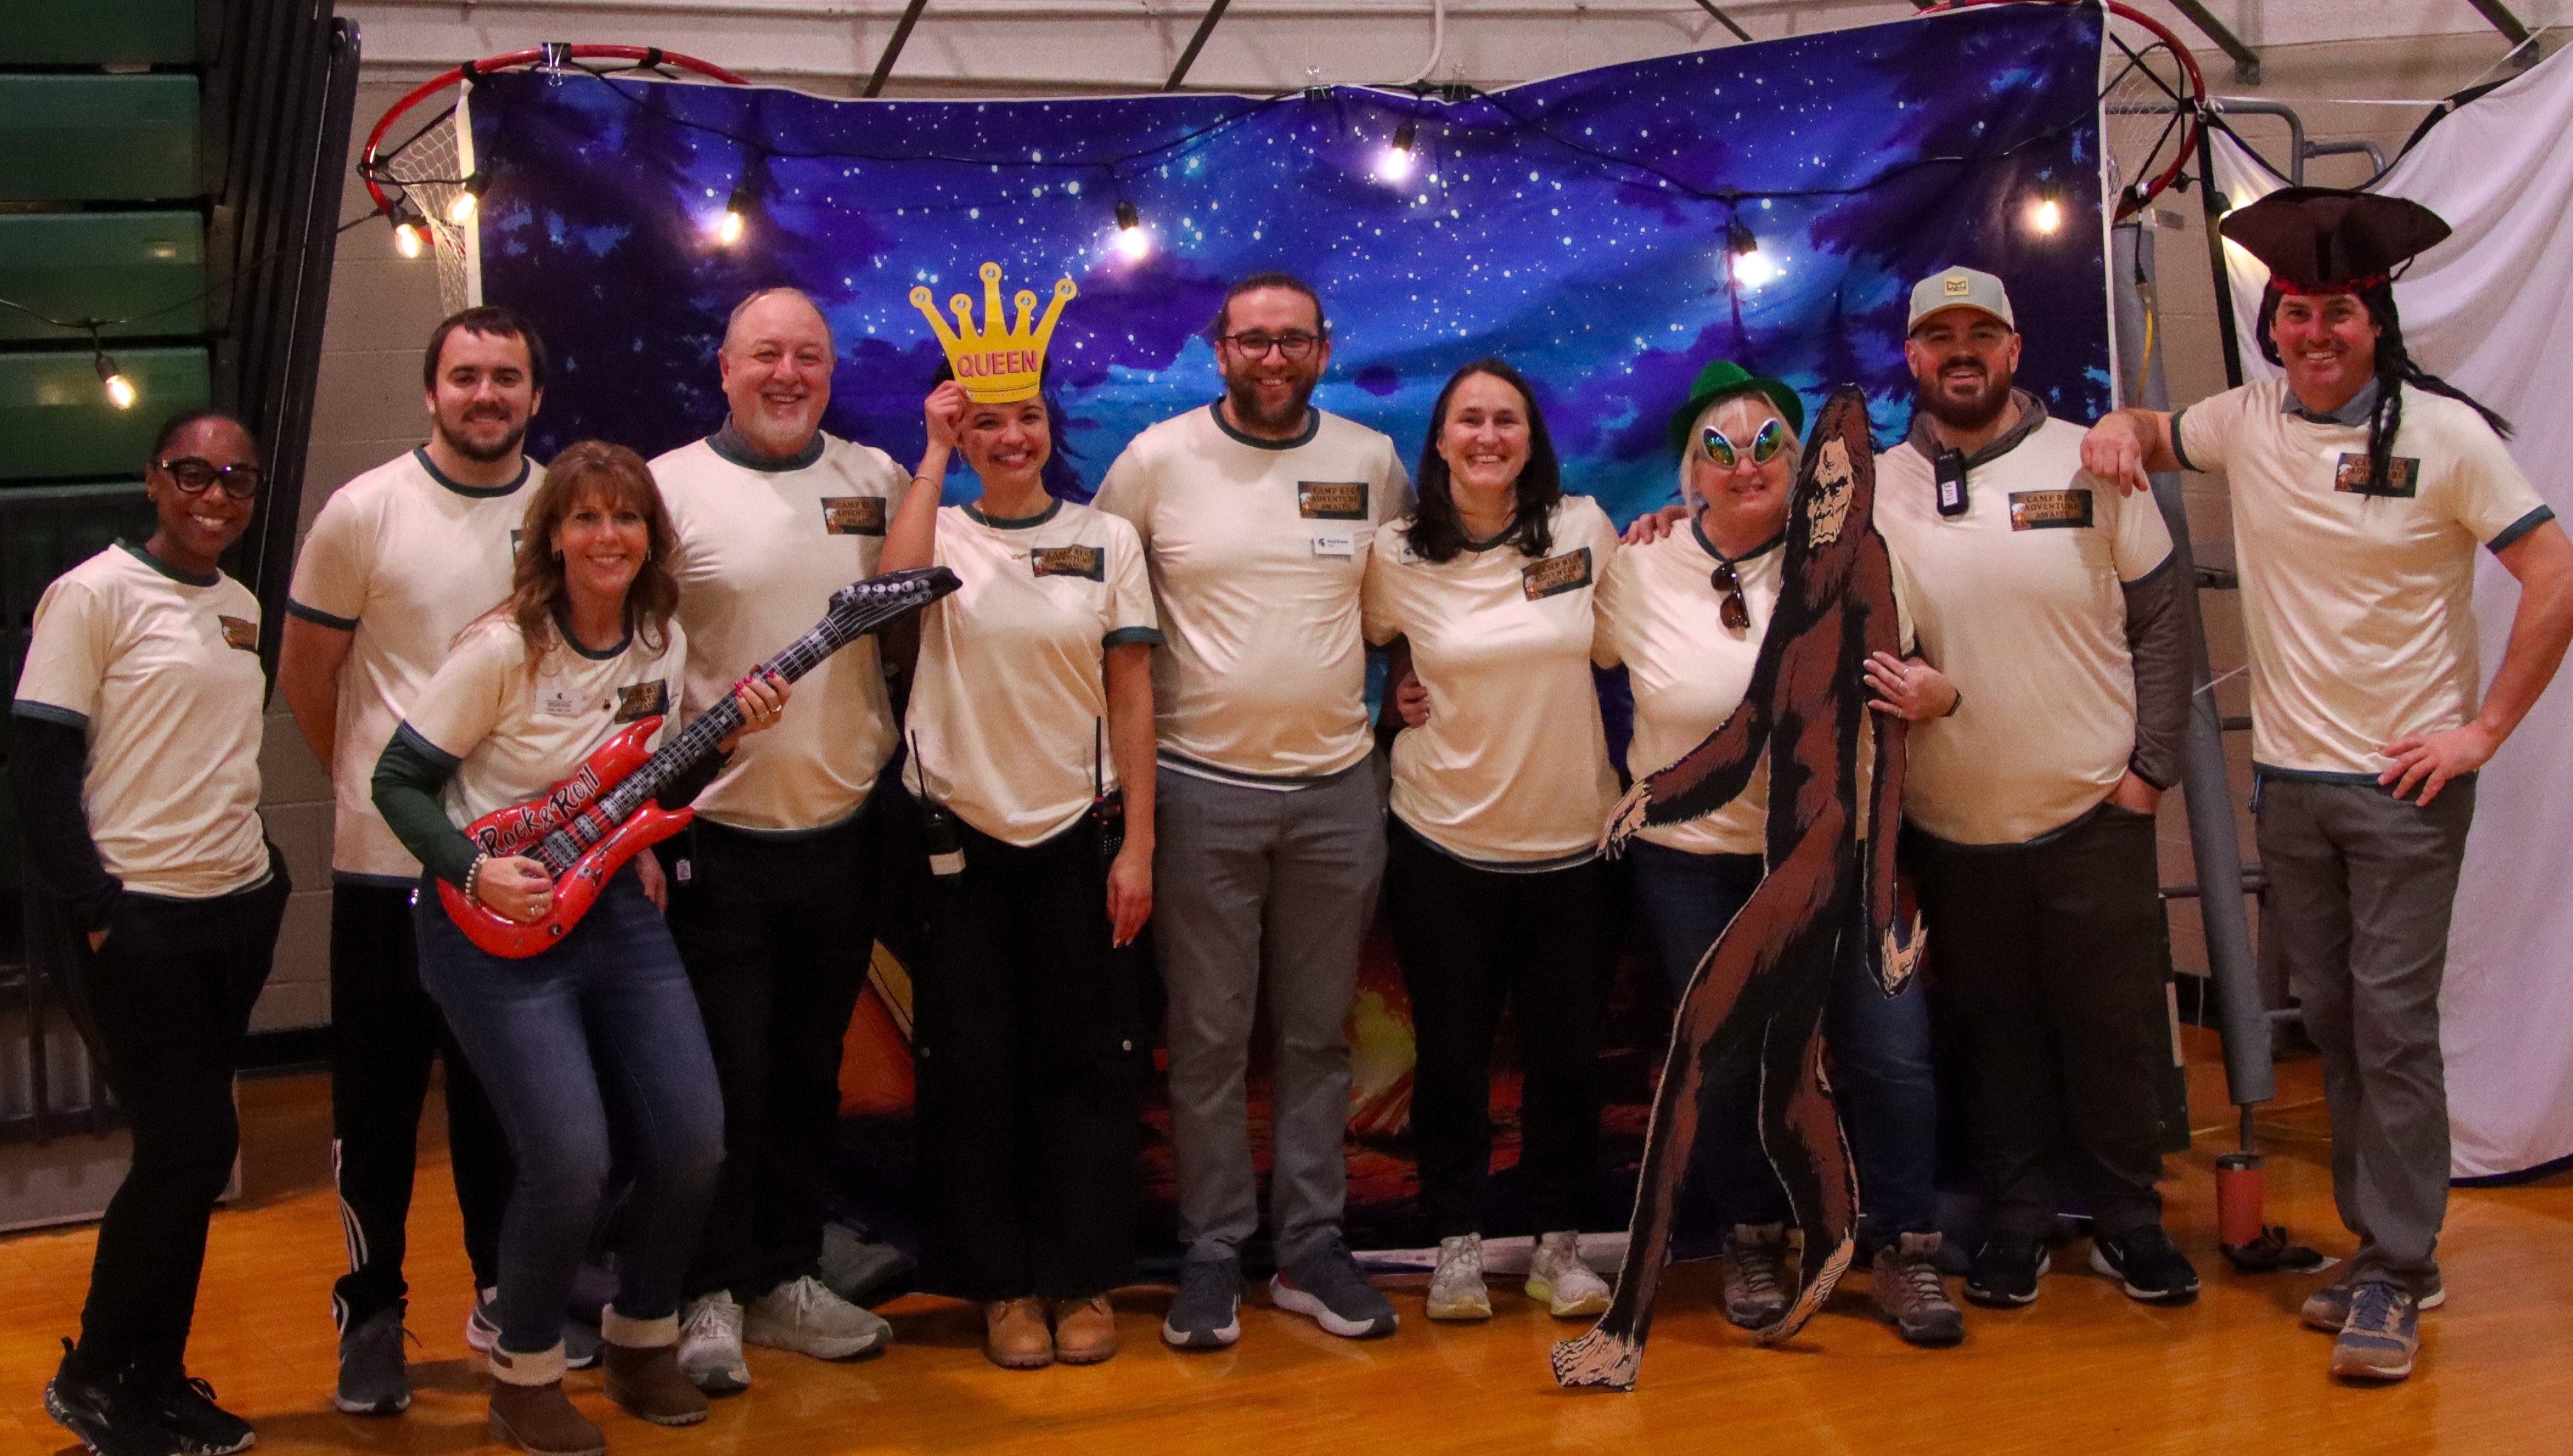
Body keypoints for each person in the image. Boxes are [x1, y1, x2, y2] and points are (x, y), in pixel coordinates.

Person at [2082, 188, 2573, 1381]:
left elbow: (2555, 573)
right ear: (2275, 328)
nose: (2315, 334)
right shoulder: (2248, 419)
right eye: (2297, 314)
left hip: (2403, 791)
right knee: (2340, 1024)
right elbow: (2153, 429)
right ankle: (2385, 1246)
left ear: (2375, 321)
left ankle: (2397, 1268)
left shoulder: (2445, 436)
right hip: (2291, 787)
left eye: (2338, 313)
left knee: (2392, 1027)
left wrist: (2483, 732)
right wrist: (2116, 432)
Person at [372, 441, 789, 1454]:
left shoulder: (659, 641)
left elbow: (650, 790)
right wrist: (472, 870)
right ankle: (523, 1377)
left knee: (694, 1139)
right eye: (588, 517)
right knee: (568, 1160)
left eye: (627, 517)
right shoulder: (500, 648)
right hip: (487, 923)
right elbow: (397, 782)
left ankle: (644, 1337)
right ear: (553, 537)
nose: (609, 536)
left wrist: (723, 741)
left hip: (608, 909)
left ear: (652, 536)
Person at [1601, 359, 1959, 1347]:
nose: (1745, 465)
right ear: (1691, 472)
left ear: (1800, 464)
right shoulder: (1637, 568)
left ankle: (1905, 1248)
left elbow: (1915, 675)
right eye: (1720, 448)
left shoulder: (1859, 556)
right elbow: (1541, 654)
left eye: (1768, 444)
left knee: (1889, 1054)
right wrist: (1410, 690)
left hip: (1835, 853)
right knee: (1724, 1060)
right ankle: (1751, 1237)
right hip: (1693, 862)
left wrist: (1941, 693)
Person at [1093, 271, 1411, 1347]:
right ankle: (1213, 1252)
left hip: (1337, 793)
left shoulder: (1369, 462)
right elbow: (1095, 601)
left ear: (1323, 348)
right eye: (1253, 340)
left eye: (1293, 340)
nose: (1274, 358)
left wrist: (1407, 692)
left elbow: (1415, 595)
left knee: (1319, 1037)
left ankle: (1312, 1249)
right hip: (1198, 791)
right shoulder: (1157, 461)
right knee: (1209, 1038)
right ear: (1219, 349)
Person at [1874, 267, 2195, 1313]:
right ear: (1913, 357)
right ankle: (2018, 1220)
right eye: (1940, 336)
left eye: (1982, 333)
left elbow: (2163, 621)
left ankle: (2130, 1221)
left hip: (2094, 813)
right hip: (1953, 824)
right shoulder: (1874, 488)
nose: (1961, 352)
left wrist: (2150, 776)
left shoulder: (2092, 460)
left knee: (2111, 1029)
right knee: (1994, 1029)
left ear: (2014, 349)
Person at [277, 305, 536, 1412]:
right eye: (466, 376)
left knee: (503, 1106)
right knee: (377, 1111)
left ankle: (500, 1293)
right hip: (389, 873)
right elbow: (307, 677)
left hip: (520, 878)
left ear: (535, 396)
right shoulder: (364, 511)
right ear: (431, 391)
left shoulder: (564, 512)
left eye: (507, 377)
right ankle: (372, 1310)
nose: (486, 395)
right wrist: (372, 794)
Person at [16, 412, 291, 1456]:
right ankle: (93, 1377)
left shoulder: (241, 606)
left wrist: (268, 879)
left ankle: (157, 1378)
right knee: (191, 1145)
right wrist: (95, 908)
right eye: (193, 473)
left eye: (237, 479)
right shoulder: (93, 594)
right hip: (141, 919)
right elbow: (40, 769)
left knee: (191, 1152)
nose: (215, 494)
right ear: (153, 480)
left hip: (235, 907)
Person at [648, 288, 905, 1392]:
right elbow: (629, 665)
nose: (787, 374)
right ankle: (705, 1291)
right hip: (715, 836)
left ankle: (787, 1275)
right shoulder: (664, 491)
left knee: (808, 1075)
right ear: (724, 368)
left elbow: (920, 623)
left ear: (831, 373)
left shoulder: (876, 479)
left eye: (808, 356)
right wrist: (641, 829)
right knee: (724, 1085)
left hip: (844, 829)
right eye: (765, 355)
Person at [880, 371, 1160, 1368]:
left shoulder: (1106, 538)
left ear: (1052, 428)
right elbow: (889, 605)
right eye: (987, 422)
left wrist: (1139, 846)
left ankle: (1082, 1278)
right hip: (959, 841)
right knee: (972, 1070)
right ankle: (1002, 1289)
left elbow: (1133, 693)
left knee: (1087, 1066)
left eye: (1028, 418)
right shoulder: (941, 532)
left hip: (1079, 838)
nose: (1011, 438)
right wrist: (931, 451)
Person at [1360, 359, 1619, 1323]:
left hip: (1575, 846)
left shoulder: (1583, 530)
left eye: (1507, 420)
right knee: (1452, 1057)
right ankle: (1456, 1245)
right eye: (1469, 420)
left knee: (1568, 1060)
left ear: (1531, 440)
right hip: (1443, 844)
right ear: (1439, 440)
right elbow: (1360, 642)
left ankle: (1559, 1245)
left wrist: (1673, 528)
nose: (1487, 436)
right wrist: (1394, 695)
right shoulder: (1396, 552)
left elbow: (1623, 639)